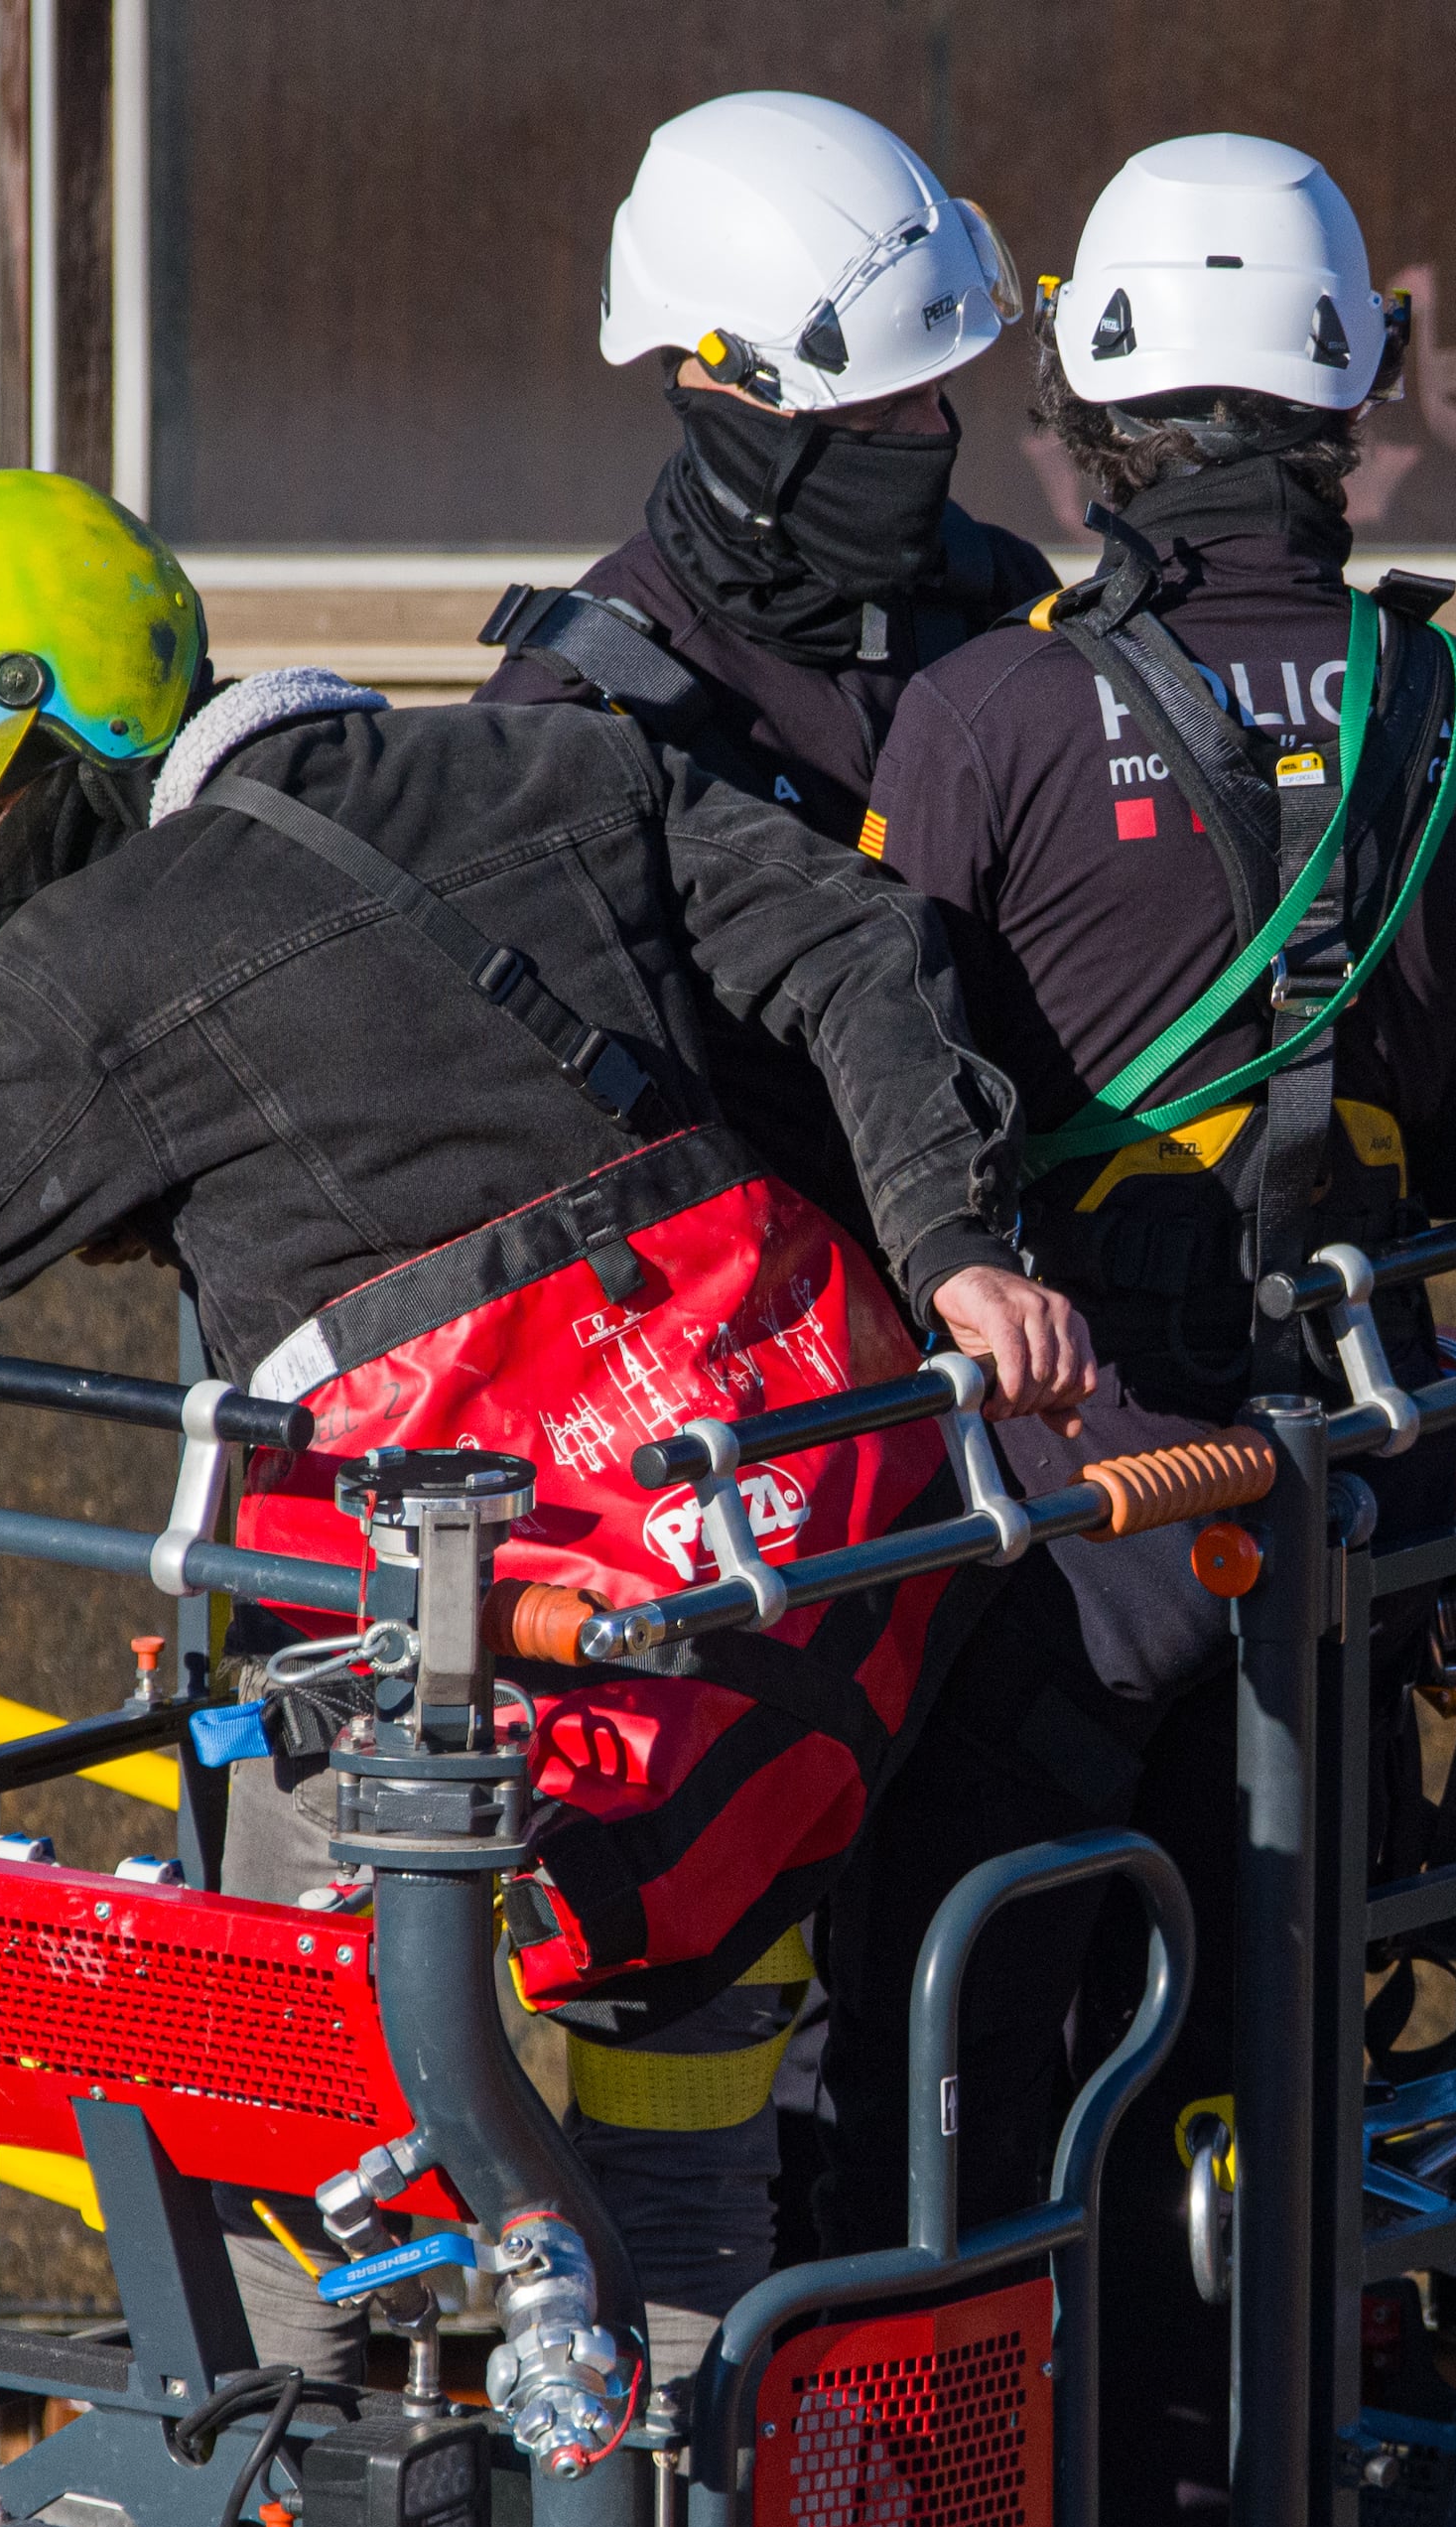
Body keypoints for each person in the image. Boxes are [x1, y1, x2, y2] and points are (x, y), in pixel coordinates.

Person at [0, 466, 1091, 2383]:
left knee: (299, 2145)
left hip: (417, 1636)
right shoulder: (554, 768)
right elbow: (860, 945)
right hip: (751, 1558)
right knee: (688, 2180)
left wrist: (160, 1166)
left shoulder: (97, 957)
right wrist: (957, 1248)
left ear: (55, 734)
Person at [832, 130, 1456, 2527]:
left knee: (955, 2098)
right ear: (1351, 407)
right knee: (1265, 2101)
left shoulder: (975, 722)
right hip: (1354, 1539)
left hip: (1076, 1540)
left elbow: (877, 1099)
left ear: (1088, 413)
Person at [473, 87, 1061, 2230]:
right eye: (880, 410)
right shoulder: (585, 713)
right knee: (773, 2073)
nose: (929, 446)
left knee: (1020, 2004)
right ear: (721, 396)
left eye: (946, 401)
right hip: (772, 1475)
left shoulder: (991, 609)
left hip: (1020, 1395)